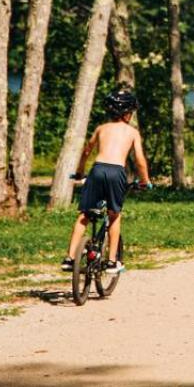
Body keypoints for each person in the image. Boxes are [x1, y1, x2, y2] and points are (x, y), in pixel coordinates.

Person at [63, 88, 151, 273]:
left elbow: (86, 152)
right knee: (114, 214)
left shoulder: (101, 129)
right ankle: (112, 261)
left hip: (97, 169)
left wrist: (80, 173)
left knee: (84, 215)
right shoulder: (132, 132)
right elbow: (140, 160)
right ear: (128, 113)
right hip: (116, 171)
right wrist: (145, 180)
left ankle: (69, 258)